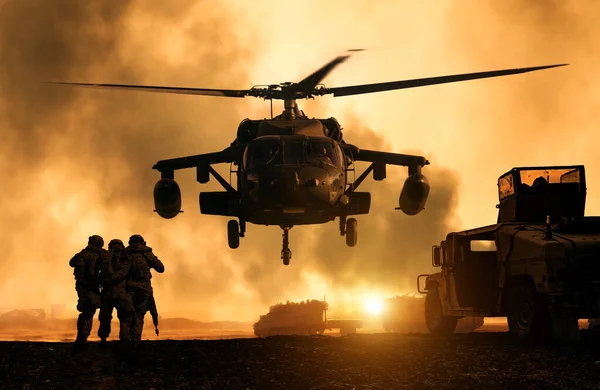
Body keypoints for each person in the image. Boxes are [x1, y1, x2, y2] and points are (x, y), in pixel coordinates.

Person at [125, 234, 165, 349]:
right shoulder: (147, 254)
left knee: (127, 316)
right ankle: (135, 342)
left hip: (129, 289)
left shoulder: (126, 254)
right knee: (138, 316)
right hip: (144, 290)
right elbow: (161, 268)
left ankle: (126, 342)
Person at [69, 235, 105, 352]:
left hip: (82, 288)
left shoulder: (82, 254)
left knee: (86, 312)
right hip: (93, 287)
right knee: (93, 312)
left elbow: (72, 262)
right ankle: (85, 338)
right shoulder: (101, 254)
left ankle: (82, 338)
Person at [97, 239, 134, 350]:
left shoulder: (104, 257)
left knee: (105, 317)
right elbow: (128, 272)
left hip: (107, 292)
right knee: (125, 317)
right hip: (121, 292)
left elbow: (97, 272)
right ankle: (125, 340)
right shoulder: (125, 256)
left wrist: (105, 280)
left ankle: (103, 339)